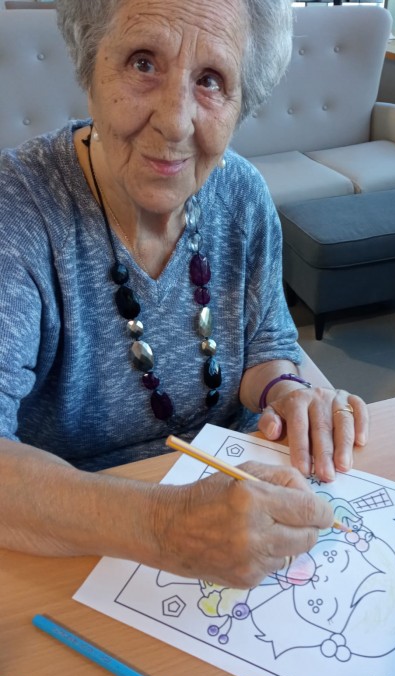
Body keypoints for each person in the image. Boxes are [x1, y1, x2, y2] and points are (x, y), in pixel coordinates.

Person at [0, 0, 369, 588]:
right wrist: (162, 525)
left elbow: (265, 343)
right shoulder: (18, 212)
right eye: (143, 63)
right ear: (90, 65)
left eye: (211, 80)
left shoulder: (241, 192)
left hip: (241, 499)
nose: (175, 122)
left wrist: (287, 393)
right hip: (79, 536)